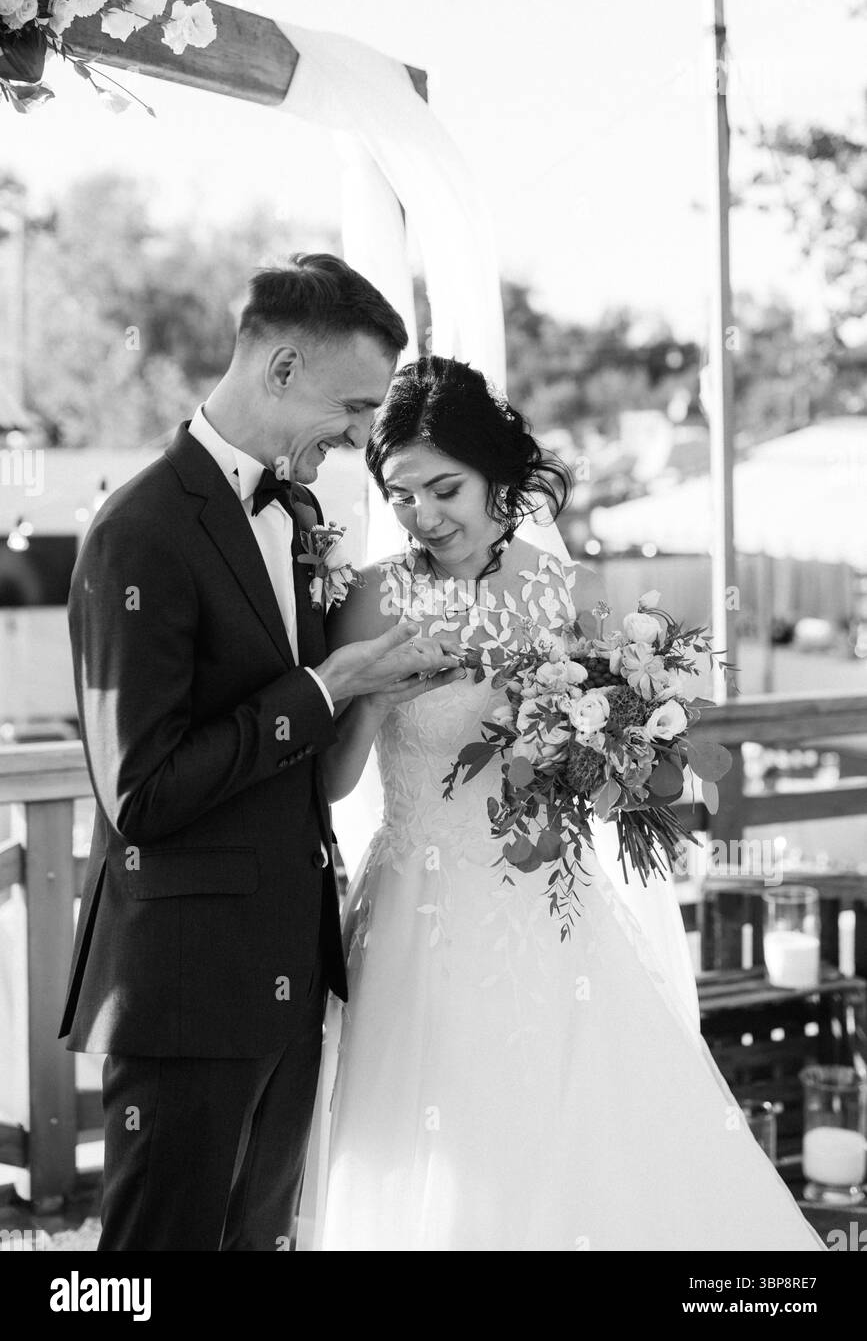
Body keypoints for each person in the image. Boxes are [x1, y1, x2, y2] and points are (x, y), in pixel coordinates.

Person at [303, 354, 825, 1251]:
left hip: (547, 901)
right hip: (413, 907)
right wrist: (377, 701)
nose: (423, 517)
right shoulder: (371, 596)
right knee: (433, 1138)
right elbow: (328, 783)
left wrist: (601, 754)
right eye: (399, 494)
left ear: (499, 477)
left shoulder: (560, 592)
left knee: (564, 1123)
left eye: (445, 489)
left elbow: (603, 762)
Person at [60, 255, 464, 1251]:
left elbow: (307, 743)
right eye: (354, 406)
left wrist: (366, 693)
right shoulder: (136, 532)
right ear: (282, 368)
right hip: (189, 989)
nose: (363, 437)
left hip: (291, 971)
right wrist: (330, 686)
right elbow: (141, 791)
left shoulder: (300, 519)